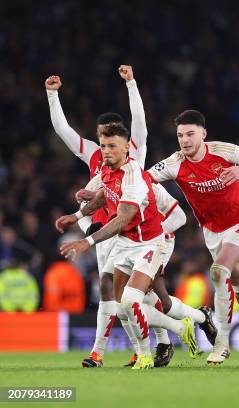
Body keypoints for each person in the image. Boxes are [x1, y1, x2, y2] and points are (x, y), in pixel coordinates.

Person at [55, 124, 198, 370]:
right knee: (122, 308)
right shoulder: (109, 171)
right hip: (126, 244)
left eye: (112, 146)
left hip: (149, 243)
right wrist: (77, 216)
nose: (106, 151)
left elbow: (122, 219)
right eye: (102, 146)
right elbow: (104, 193)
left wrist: (85, 241)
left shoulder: (134, 176)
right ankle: (177, 328)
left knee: (133, 300)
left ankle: (145, 353)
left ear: (125, 148)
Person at [148, 109, 239, 364]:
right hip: (212, 230)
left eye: (190, 134)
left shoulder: (223, 151)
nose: (184, 140)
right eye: (180, 135)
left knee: (219, 271)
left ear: (203, 135)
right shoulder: (175, 163)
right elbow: (143, 179)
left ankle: (222, 343)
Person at [45, 66, 151, 367]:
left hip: (133, 226)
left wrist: (131, 84)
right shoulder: (93, 152)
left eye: (110, 139)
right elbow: (62, 130)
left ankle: (167, 335)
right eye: (101, 138)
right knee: (108, 286)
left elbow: (140, 122)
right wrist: (52, 94)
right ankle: (100, 352)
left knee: (140, 294)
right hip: (102, 226)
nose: (105, 146)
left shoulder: (134, 153)